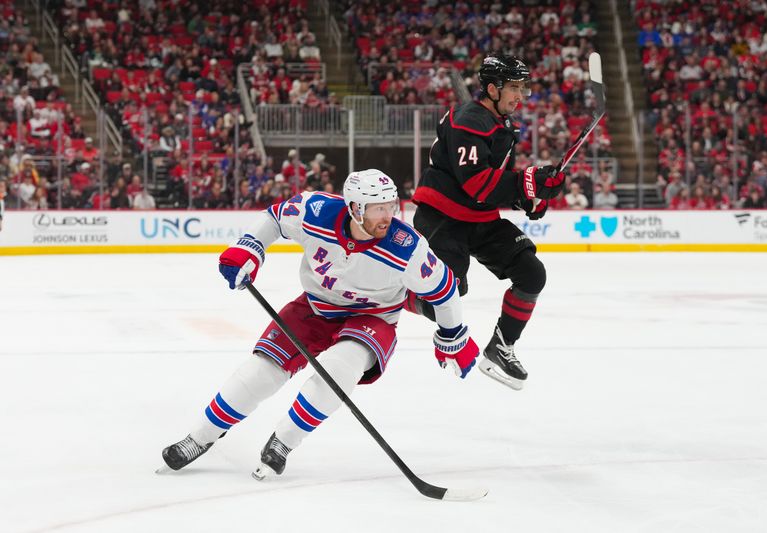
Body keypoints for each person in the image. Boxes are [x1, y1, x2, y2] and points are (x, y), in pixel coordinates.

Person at [160, 169, 480, 477]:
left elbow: (445, 290)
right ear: (354, 208)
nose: (387, 216)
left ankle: (283, 443)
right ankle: (200, 437)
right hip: (315, 306)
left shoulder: (406, 246)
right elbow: (274, 217)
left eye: (390, 206)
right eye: (377, 209)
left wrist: (453, 335)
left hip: (373, 317)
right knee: (260, 372)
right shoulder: (316, 211)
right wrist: (250, 248)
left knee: (339, 369)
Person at [406, 54, 566, 391]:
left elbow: (496, 181)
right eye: (513, 88)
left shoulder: (502, 123)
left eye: (523, 88)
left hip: (478, 216)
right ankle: (399, 296)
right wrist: (529, 181)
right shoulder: (469, 120)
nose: (520, 96)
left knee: (532, 273)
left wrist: (528, 199)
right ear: (492, 89)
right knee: (447, 299)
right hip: (443, 216)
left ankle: (501, 347)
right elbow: (476, 182)